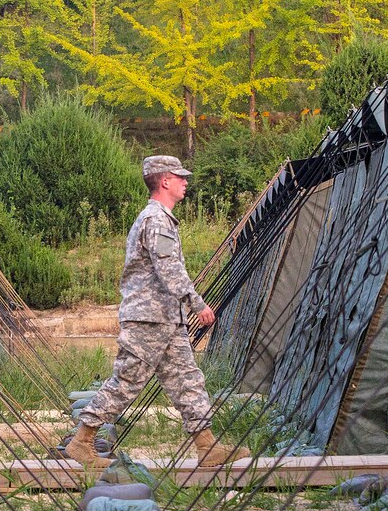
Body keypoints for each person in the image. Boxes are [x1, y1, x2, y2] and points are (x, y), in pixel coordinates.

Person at [65, 155, 251, 469]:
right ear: (164, 181)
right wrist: (198, 304)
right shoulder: (156, 219)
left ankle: (207, 446)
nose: (185, 182)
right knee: (127, 381)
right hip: (148, 320)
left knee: (188, 381)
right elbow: (170, 270)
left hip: (167, 319)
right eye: (180, 177)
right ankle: (82, 442)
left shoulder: (162, 218)